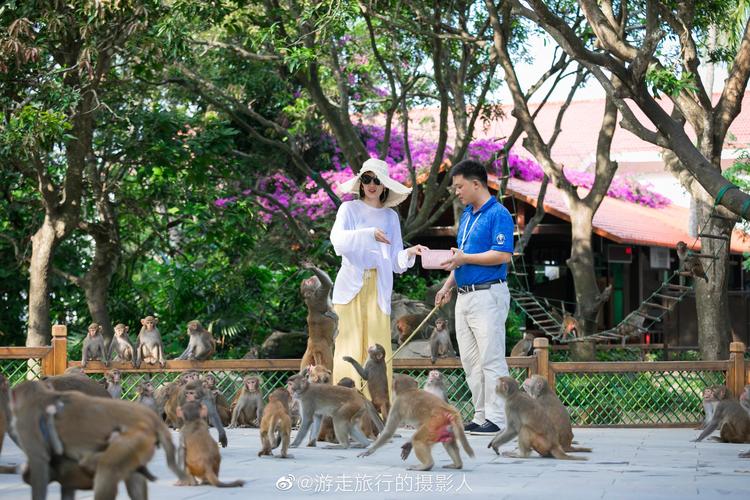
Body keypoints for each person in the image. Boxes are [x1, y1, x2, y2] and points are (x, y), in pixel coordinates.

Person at [330, 158, 427, 397]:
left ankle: (377, 413)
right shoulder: (348, 209)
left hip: (379, 288)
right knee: (348, 347)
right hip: (350, 285)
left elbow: (394, 261)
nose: (372, 184)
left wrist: (409, 253)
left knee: (377, 348)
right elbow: (338, 243)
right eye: (367, 179)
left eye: (377, 180)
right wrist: (369, 234)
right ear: (360, 183)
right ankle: (344, 406)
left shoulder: (391, 217)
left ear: (385, 185)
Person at [435, 159, 514, 435]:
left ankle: (499, 419)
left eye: (459, 186)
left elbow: (503, 255)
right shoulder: (467, 214)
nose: (457, 191)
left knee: (491, 359)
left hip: (488, 294)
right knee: (470, 361)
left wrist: (465, 257)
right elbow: (461, 260)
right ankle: (481, 416)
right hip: (464, 296)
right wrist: (446, 287)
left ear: (476, 183)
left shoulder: (499, 213)